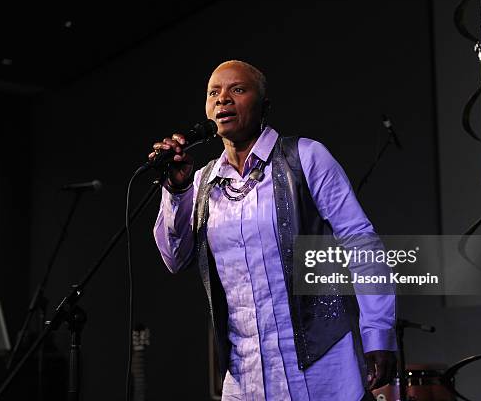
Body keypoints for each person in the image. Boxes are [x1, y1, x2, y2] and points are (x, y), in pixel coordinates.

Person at [151, 60, 396, 400]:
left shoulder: (305, 158)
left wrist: (378, 332)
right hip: (244, 376)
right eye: (213, 92)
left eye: (237, 89)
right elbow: (175, 258)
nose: (223, 99)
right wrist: (177, 192)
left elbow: (361, 244)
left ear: (264, 106)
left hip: (321, 368)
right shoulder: (203, 182)